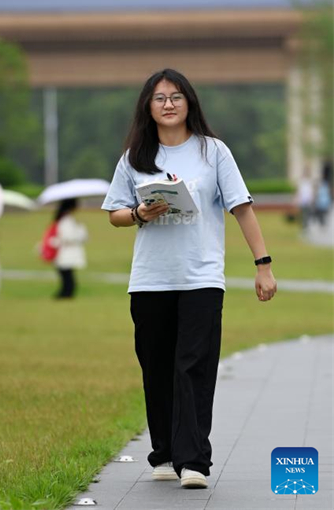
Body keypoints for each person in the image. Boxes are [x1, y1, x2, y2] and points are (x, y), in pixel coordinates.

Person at [101, 68, 277, 489]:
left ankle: (194, 460)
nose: (168, 104)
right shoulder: (135, 157)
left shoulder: (213, 152)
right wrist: (141, 213)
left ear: (189, 103)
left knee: (194, 366)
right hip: (150, 280)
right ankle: (162, 453)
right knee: (157, 367)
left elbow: (242, 208)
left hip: (201, 277)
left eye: (176, 96)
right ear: (148, 106)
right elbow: (114, 215)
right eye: (160, 98)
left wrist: (263, 264)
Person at [51, 198, 87, 298]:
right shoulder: (66, 220)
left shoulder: (63, 218)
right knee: (67, 276)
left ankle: (65, 294)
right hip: (66, 252)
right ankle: (66, 294)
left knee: (66, 275)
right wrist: (80, 230)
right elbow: (68, 237)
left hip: (64, 252)